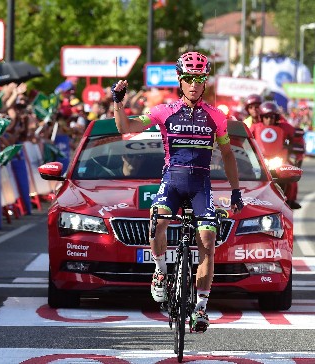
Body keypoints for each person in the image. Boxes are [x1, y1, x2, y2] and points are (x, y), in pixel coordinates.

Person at [111, 51, 244, 333]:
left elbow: (228, 155)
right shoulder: (164, 111)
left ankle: (201, 309)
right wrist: (118, 104)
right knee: (157, 220)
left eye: (199, 79)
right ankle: (160, 271)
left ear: (205, 82)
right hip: (172, 181)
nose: (194, 84)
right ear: (180, 81)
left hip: (201, 186)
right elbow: (125, 127)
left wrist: (235, 191)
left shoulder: (216, 116)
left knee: (208, 241)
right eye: (188, 79)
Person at [250, 101, 301, 209]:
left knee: (291, 174)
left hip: (279, 158)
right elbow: (246, 141)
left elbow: (297, 138)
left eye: (272, 117)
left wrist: (294, 149)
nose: (269, 119)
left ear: (276, 117)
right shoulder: (254, 127)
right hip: (259, 160)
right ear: (262, 117)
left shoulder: (285, 127)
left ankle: (291, 200)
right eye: (266, 117)